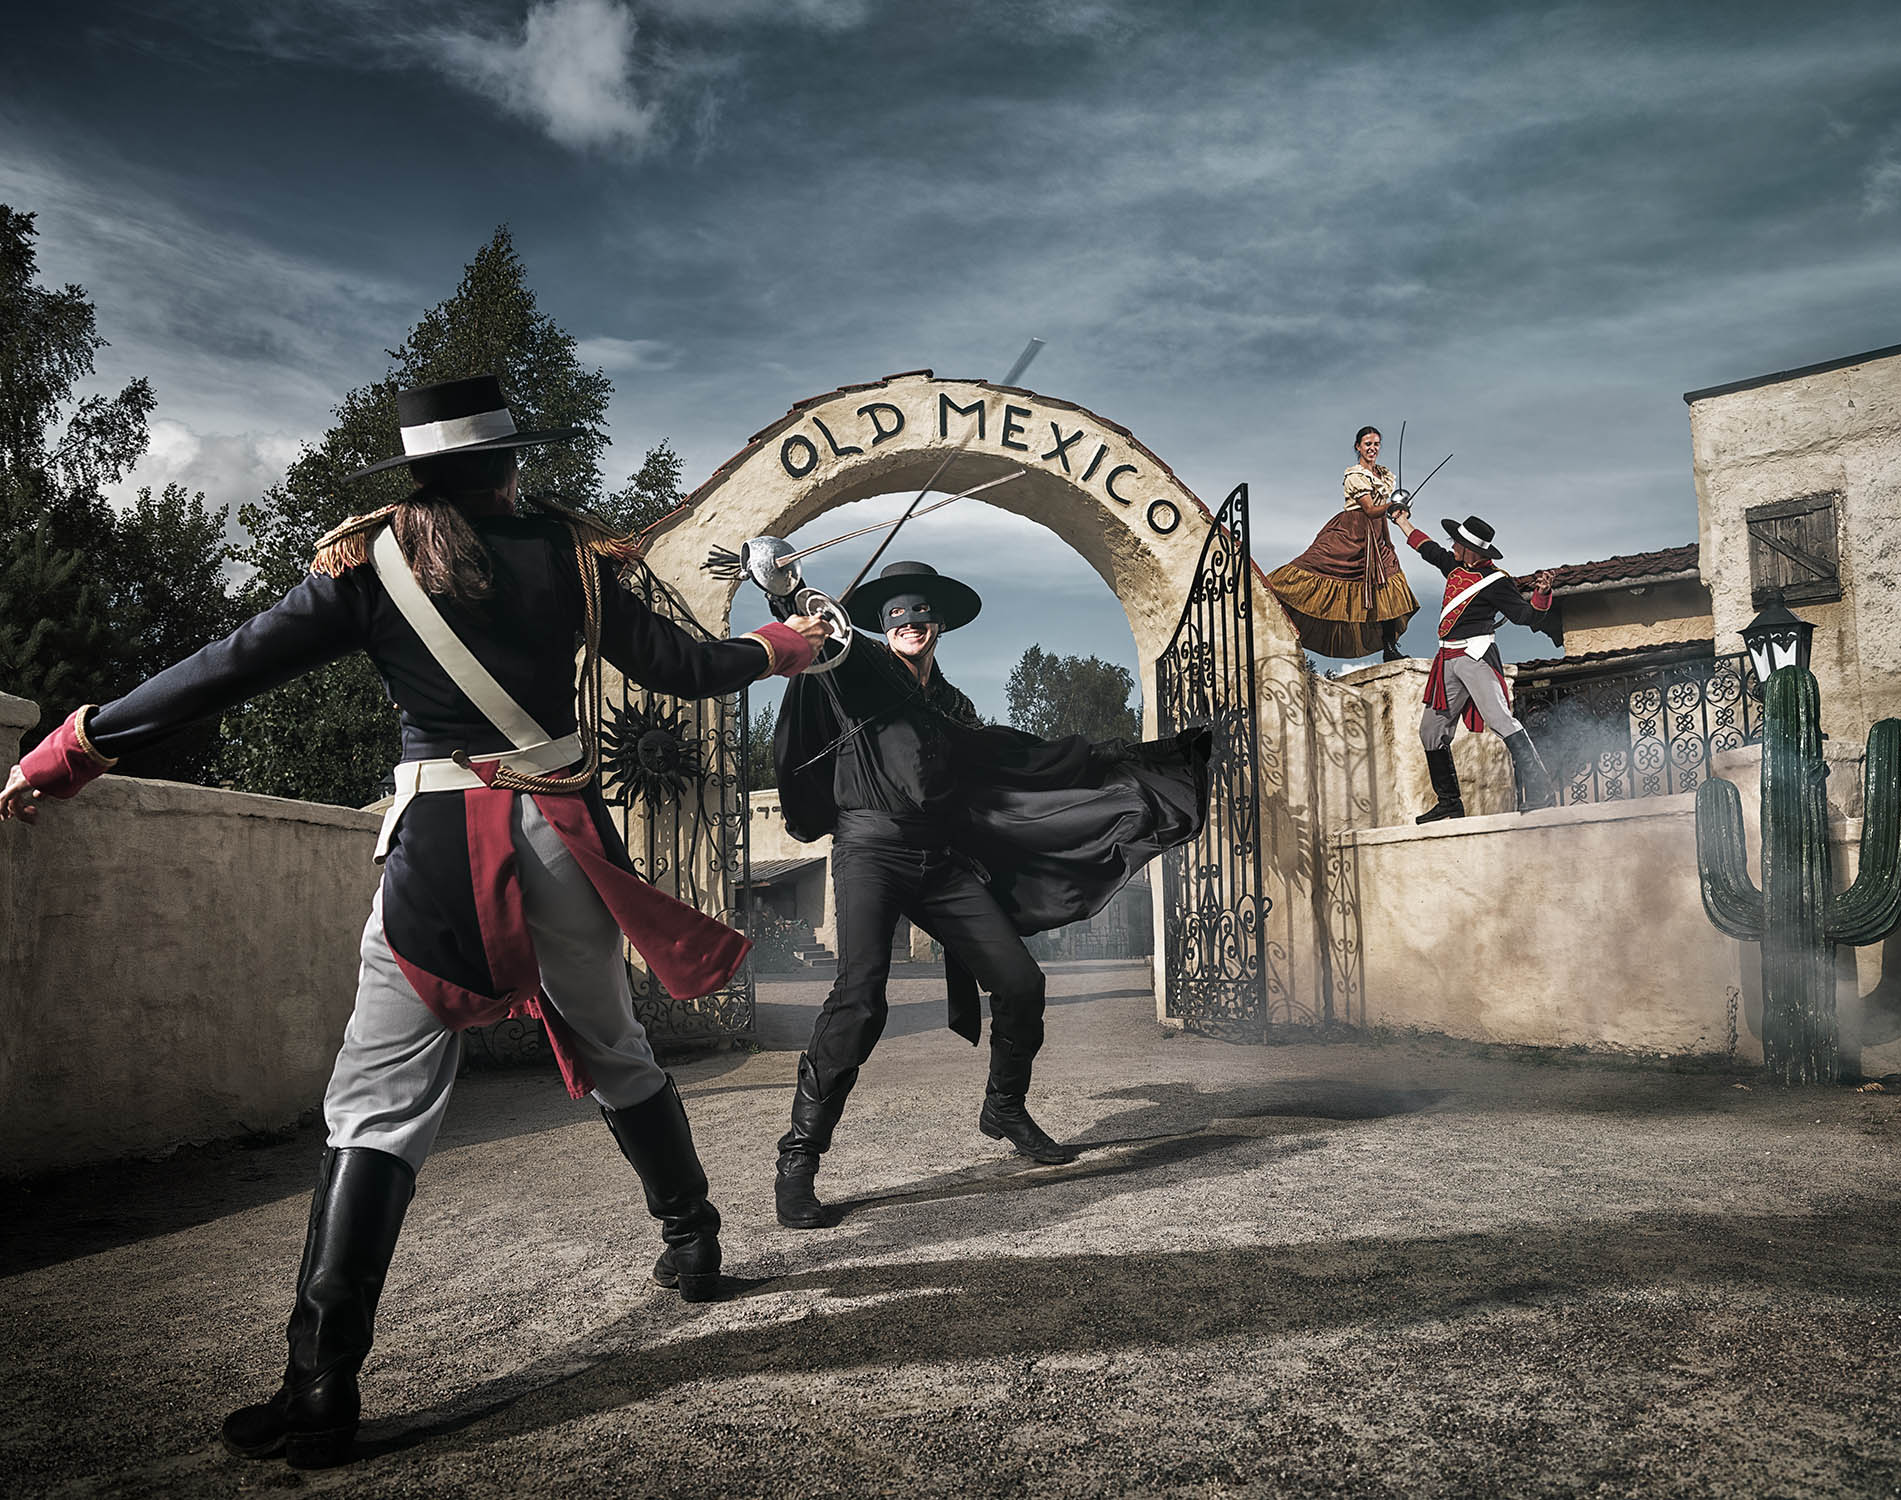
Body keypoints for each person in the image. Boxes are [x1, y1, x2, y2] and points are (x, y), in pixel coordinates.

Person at [0, 374, 830, 1469]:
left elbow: (222, 670)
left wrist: (73, 749)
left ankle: (321, 1385)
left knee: (377, 1103)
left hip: (439, 851)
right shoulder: (575, 556)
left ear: (421, 471)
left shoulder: (367, 562)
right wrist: (786, 643)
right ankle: (693, 1239)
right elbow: (688, 667)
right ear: (512, 461)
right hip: (564, 839)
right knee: (613, 1044)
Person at [766, 559, 1210, 1230]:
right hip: (870, 849)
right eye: (897, 616)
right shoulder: (858, 670)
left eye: (921, 614)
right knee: (860, 1000)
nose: (910, 623)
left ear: (938, 624)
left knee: (1021, 982)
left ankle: (1003, 1106)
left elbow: (1018, 760)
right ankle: (799, 1158)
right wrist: (783, 589)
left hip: (939, 859)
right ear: (882, 626)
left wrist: (1134, 757)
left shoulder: (953, 708)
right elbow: (820, 635)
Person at [1390, 509, 1561, 820]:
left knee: (1502, 721)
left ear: (1470, 549)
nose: (1452, 547)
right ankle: (1450, 803)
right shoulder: (1454, 565)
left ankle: (1542, 792)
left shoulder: (1497, 582)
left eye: (1457, 543)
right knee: (1431, 731)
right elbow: (1426, 547)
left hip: (1475, 656)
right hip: (1447, 660)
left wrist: (1542, 594)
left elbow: (1526, 616)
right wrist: (1402, 520)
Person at [1266, 426, 1419, 662]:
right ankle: (1268, 596)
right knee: (1314, 568)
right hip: (1352, 532)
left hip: (1377, 536)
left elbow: (1379, 516)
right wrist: (1392, 506)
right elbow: (1370, 510)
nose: (1372, 448)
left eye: (1376, 444)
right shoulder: (1355, 476)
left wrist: (1388, 543)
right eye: (1367, 444)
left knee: (1389, 586)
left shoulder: (1384, 475)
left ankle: (1390, 648)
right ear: (1358, 446)